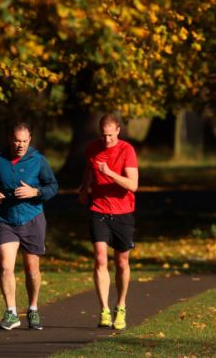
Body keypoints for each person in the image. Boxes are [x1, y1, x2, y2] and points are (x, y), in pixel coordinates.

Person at [0, 122, 59, 331]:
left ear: (30, 139)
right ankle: (12, 313)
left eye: (24, 141)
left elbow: (53, 186)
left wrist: (36, 192)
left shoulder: (38, 160)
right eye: (16, 141)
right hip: (6, 220)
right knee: (6, 266)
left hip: (32, 218)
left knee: (32, 269)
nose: (20, 145)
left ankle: (33, 309)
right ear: (9, 139)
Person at [78, 114, 139, 331]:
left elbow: (133, 185)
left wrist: (110, 173)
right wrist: (85, 187)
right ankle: (104, 309)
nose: (106, 140)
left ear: (118, 131)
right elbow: (89, 167)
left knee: (121, 262)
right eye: (103, 136)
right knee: (100, 259)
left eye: (110, 136)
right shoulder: (92, 149)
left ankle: (120, 306)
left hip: (123, 211)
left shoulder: (126, 150)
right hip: (98, 209)